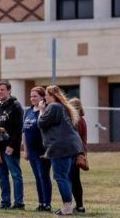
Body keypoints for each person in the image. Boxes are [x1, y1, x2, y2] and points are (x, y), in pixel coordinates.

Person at [37, 85, 84, 216]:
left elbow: (41, 123)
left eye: (46, 95)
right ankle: (68, 205)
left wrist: (41, 110)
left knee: (60, 176)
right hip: (68, 147)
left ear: (52, 95)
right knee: (63, 176)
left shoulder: (54, 107)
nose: (44, 97)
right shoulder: (61, 107)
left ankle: (67, 206)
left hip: (60, 147)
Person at [0, 79, 25, 210]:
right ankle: (5, 202)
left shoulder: (16, 106)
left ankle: (19, 202)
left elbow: (18, 129)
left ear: (9, 90)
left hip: (10, 147)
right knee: (2, 175)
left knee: (15, 174)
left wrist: (12, 145)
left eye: (2, 89)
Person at [22, 86, 52, 212]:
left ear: (42, 97)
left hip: (42, 150)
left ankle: (47, 203)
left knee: (43, 176)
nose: (32, 98)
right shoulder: (28, 112)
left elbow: (45, 127)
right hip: (32, 151)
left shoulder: (45, 111)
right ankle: (41, 202)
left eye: (35, 96)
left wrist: (42, 109)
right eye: (31, 96)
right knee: (37, 177)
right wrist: (26, 150)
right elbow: (24, 132)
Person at [69, 98, 88, 214]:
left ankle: (79, 206)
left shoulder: (77, 121)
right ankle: (79, 205)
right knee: (74, 179)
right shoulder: (82, 120)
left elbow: (75, 138)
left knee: (73, 180)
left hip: (75, 152)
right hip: (79, 151)